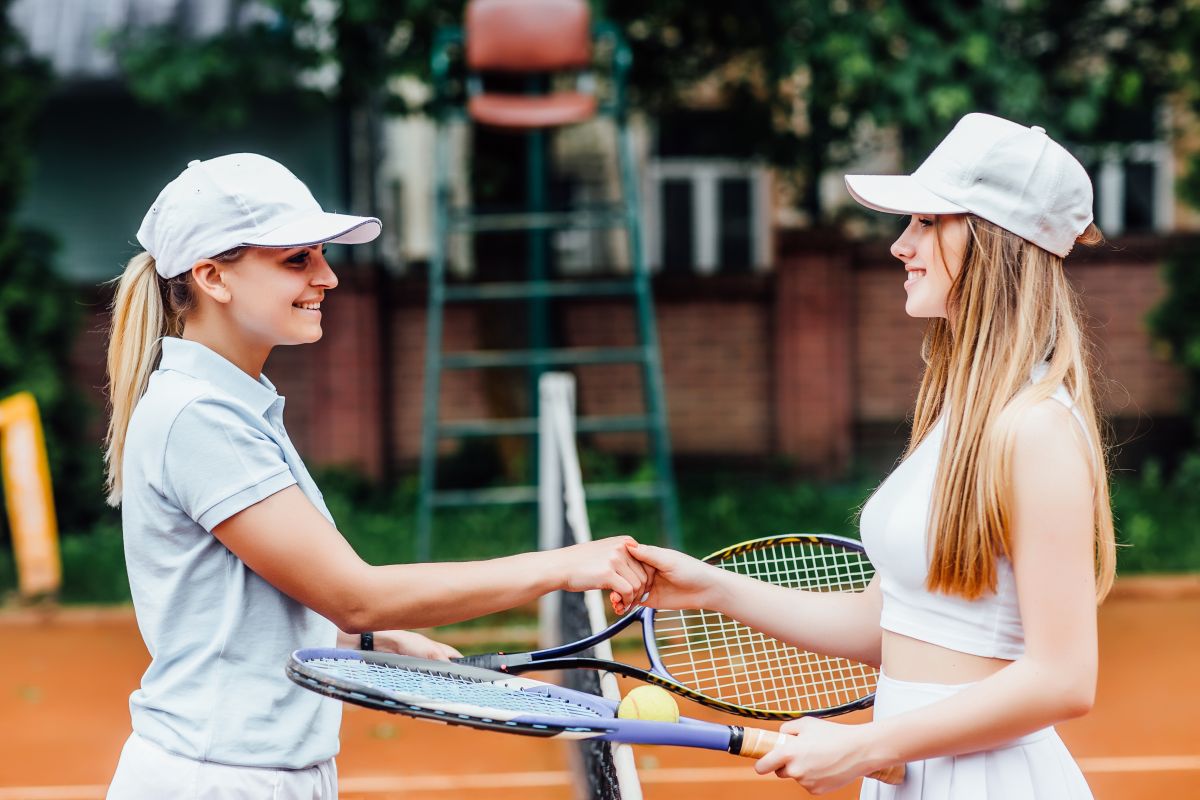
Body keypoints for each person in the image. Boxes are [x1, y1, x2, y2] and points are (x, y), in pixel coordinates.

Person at [103, 153, 652, 799]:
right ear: (212, 277)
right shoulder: (200, 416)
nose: (328, 277)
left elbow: (250, 605)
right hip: (219, 778)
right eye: (297, 259)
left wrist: (369, 638)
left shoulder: (225, 403)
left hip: (257, 771)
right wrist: (564, 565)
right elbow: (353, 591)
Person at [629, 113, 1114, 798]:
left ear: (989, 242)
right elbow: (880, 624)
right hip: (908, 775)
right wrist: (712, 589)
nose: (899, 245)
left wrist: (865, 743)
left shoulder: (1036, 431)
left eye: (924, 221)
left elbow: (1064, 679)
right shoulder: (960, 416)